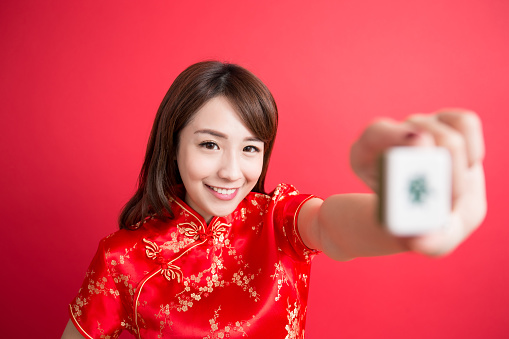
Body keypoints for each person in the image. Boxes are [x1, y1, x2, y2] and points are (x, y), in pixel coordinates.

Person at [62, 61, 486, 339]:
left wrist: (405, 211)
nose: (232, 171)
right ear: (172, 146)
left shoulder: (279, 221)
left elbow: (333, 226)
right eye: (210, 145)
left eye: (250, 149)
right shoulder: (122, 258)